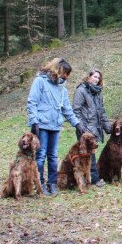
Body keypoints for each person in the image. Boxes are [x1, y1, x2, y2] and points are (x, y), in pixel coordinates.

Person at [27, 57, 83, 195]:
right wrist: (34, 122)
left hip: (55, 125)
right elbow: (32, 102)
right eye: (65, 73)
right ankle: (39, 184)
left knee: (53, 156)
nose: (66, 76)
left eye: (68, 74)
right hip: (41, 125)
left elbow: (67, 109)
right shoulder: (40, 81)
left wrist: (77, 124)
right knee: (41, 156)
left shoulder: (62, 89)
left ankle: (52, 183)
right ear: (58, 70)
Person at [73, 68, 112, 187]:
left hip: (96, 128)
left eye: (98, 78)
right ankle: (94, 179)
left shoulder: (98, 93)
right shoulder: (81, 90)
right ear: (88, 76)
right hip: (85, 129)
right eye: (95, 76)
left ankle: (86, 178)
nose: (97, 79)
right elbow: (76, 110)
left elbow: (102, 112)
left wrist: (108, 128)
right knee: (89, 155)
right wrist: (81, 128)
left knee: (89, 154)